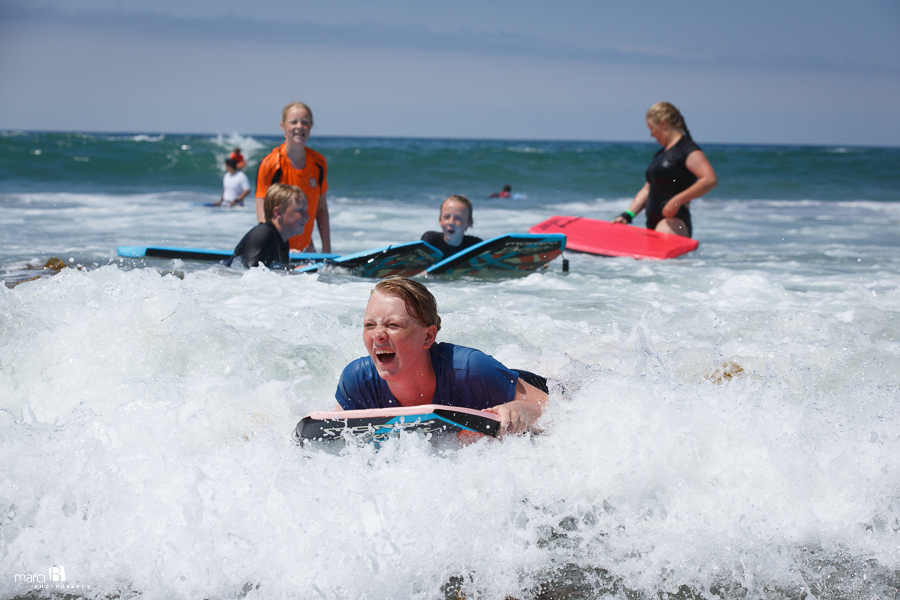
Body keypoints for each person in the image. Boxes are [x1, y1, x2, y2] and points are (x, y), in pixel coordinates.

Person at [333, 277, 548, 436]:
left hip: (526, 385)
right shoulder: (358, 382)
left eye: (393, 325)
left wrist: (520, 410)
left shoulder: (471, 369)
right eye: (369, 325)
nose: (377, 335)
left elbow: (556, 410)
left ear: (428, 337)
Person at [613, 102, 717, 238]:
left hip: (674, 222)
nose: (651, 135)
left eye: (651, 128)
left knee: (663, 260)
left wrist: (677, 200)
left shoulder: (687, 149)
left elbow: (709, 179)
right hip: (653, 223)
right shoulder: (660, 154)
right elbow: (648, 188)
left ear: (663, 124)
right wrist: (628, 215)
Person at [255, 102, 331, 253]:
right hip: (277, 250)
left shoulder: (318, 163)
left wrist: (327, 250)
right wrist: (277, 249)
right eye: (293, 122)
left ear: (311, 126)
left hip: (307, 250)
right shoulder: (270, 164)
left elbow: (321, 209)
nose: (299, 126)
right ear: (283, 126)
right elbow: (262, 214)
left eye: (304, 122)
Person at [225, 183, 309, 268]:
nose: (307, 217)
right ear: (278, 213)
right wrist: (293, 270)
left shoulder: (282, 241)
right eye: (301, 211)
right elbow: (249, 275)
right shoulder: (263, 234)